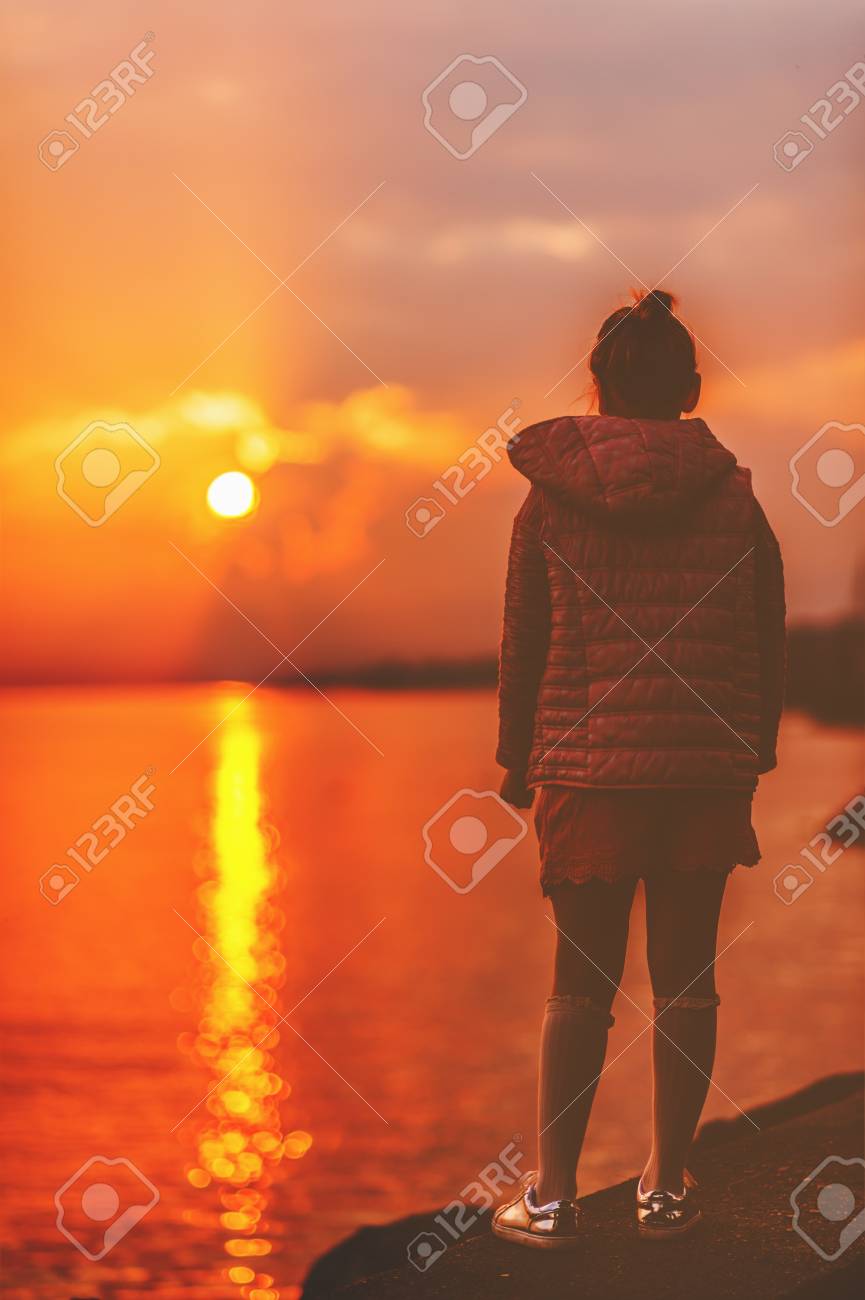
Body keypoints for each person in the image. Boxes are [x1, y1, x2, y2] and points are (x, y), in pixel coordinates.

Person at [491, 289, 785, 1247]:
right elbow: (764, 630)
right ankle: (666, 1189)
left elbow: (523, 638)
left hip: (588, 769)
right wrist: (756, 743)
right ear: (692, 388)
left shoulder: (548, 503)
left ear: (598, 387)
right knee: (687, 980)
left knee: (578, 984)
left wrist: (512, 758)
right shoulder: (736, 498)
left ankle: (555, 1196)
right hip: (703, 771)